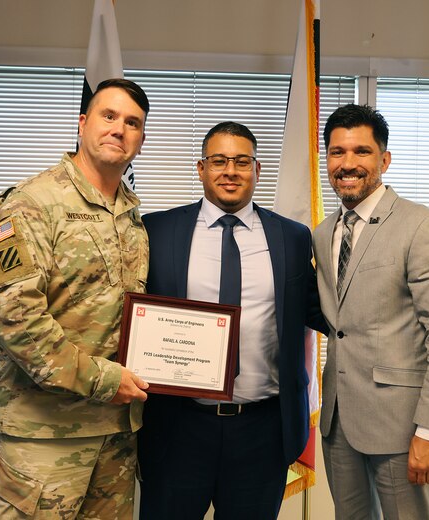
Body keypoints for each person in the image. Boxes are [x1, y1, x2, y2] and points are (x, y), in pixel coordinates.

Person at [0, 78, 151, 519]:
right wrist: (104, 380)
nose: (119, 128)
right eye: (108, 116)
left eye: (132, 122)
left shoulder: (131, 216)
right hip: (43, 435)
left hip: (116, 434)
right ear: (82, 123)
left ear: (141, 139)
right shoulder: (30, 203)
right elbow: (14, 317)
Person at [137, 122, 327, 520]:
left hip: (262, 431)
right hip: (178, 428)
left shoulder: (293, 237)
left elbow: (319, 309)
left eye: (242, 162)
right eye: (219, 161)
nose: (230, 171)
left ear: (257, 169)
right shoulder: (157, 231)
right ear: (201, 168)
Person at [313, 103, 429, 520]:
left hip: (403, 429)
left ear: (384, 160)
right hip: (338, 424)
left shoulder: (421, 227)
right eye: (337, 152)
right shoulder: (323, 232)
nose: (347, 164)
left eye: (361, 152)